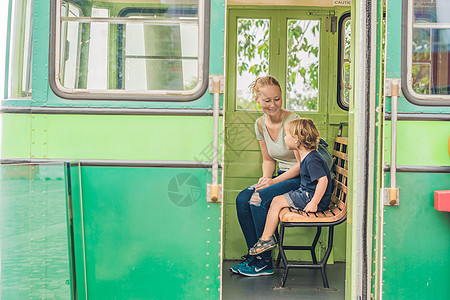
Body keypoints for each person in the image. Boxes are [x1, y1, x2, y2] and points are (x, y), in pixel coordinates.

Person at [231, 75, 302, 277]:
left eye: (277, 99)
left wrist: (272, 182)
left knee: (259, 199)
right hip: (280, 176)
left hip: (299, 179)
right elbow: (268, 159)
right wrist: (265, 179)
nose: (273, 105)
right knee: (243, 199)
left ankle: (264, 262)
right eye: (267, 101)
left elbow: (302, 164)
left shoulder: (292, 121)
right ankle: (254, 255)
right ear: (257, 100)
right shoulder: (260, 124)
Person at [248, 118, 332, 256]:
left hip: (311, 198)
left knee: (276, 201)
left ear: (297, 140)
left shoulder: (313, 160)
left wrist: (314, 203)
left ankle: (266, 239)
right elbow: (300, 162)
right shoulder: (307, 155)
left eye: (286, 135)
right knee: (277, 201)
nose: (284, 138)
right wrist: (296, 149)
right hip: (306, 194)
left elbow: (323, 181)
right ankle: (266, 238)